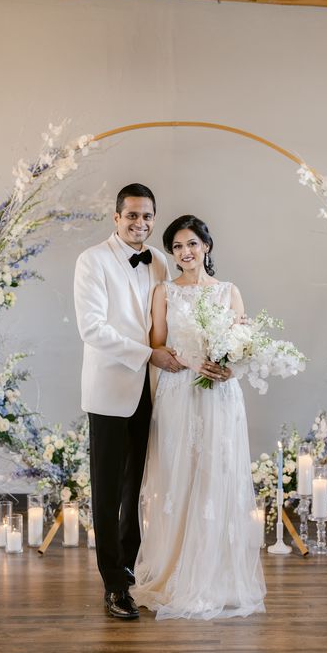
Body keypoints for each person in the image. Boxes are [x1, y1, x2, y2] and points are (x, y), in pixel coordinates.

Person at [131, 215, 266, 620]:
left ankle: (215, 575)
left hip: (220, 397)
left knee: (215, 475)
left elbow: (243, 344)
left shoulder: (229, 291)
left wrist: (229, 367)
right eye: (176, 247)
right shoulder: (164, 290)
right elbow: (157, 343)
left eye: (191, 244)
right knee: (179, 476)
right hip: (179, 391)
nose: (184, 253)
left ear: (206, 246)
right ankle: (174, 571)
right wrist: (192, 362)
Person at [74, 183, 185, 620]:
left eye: (147, 216)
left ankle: (131, 566)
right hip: (108, 391)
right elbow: (92, 328)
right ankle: (113, 585)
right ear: (117, 217)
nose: (140, 223)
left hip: (153, 391)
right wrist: (147, 354)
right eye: (132, 215)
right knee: (106, 491)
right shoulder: (92, 260)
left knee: (137, 487)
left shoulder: (159, 260)